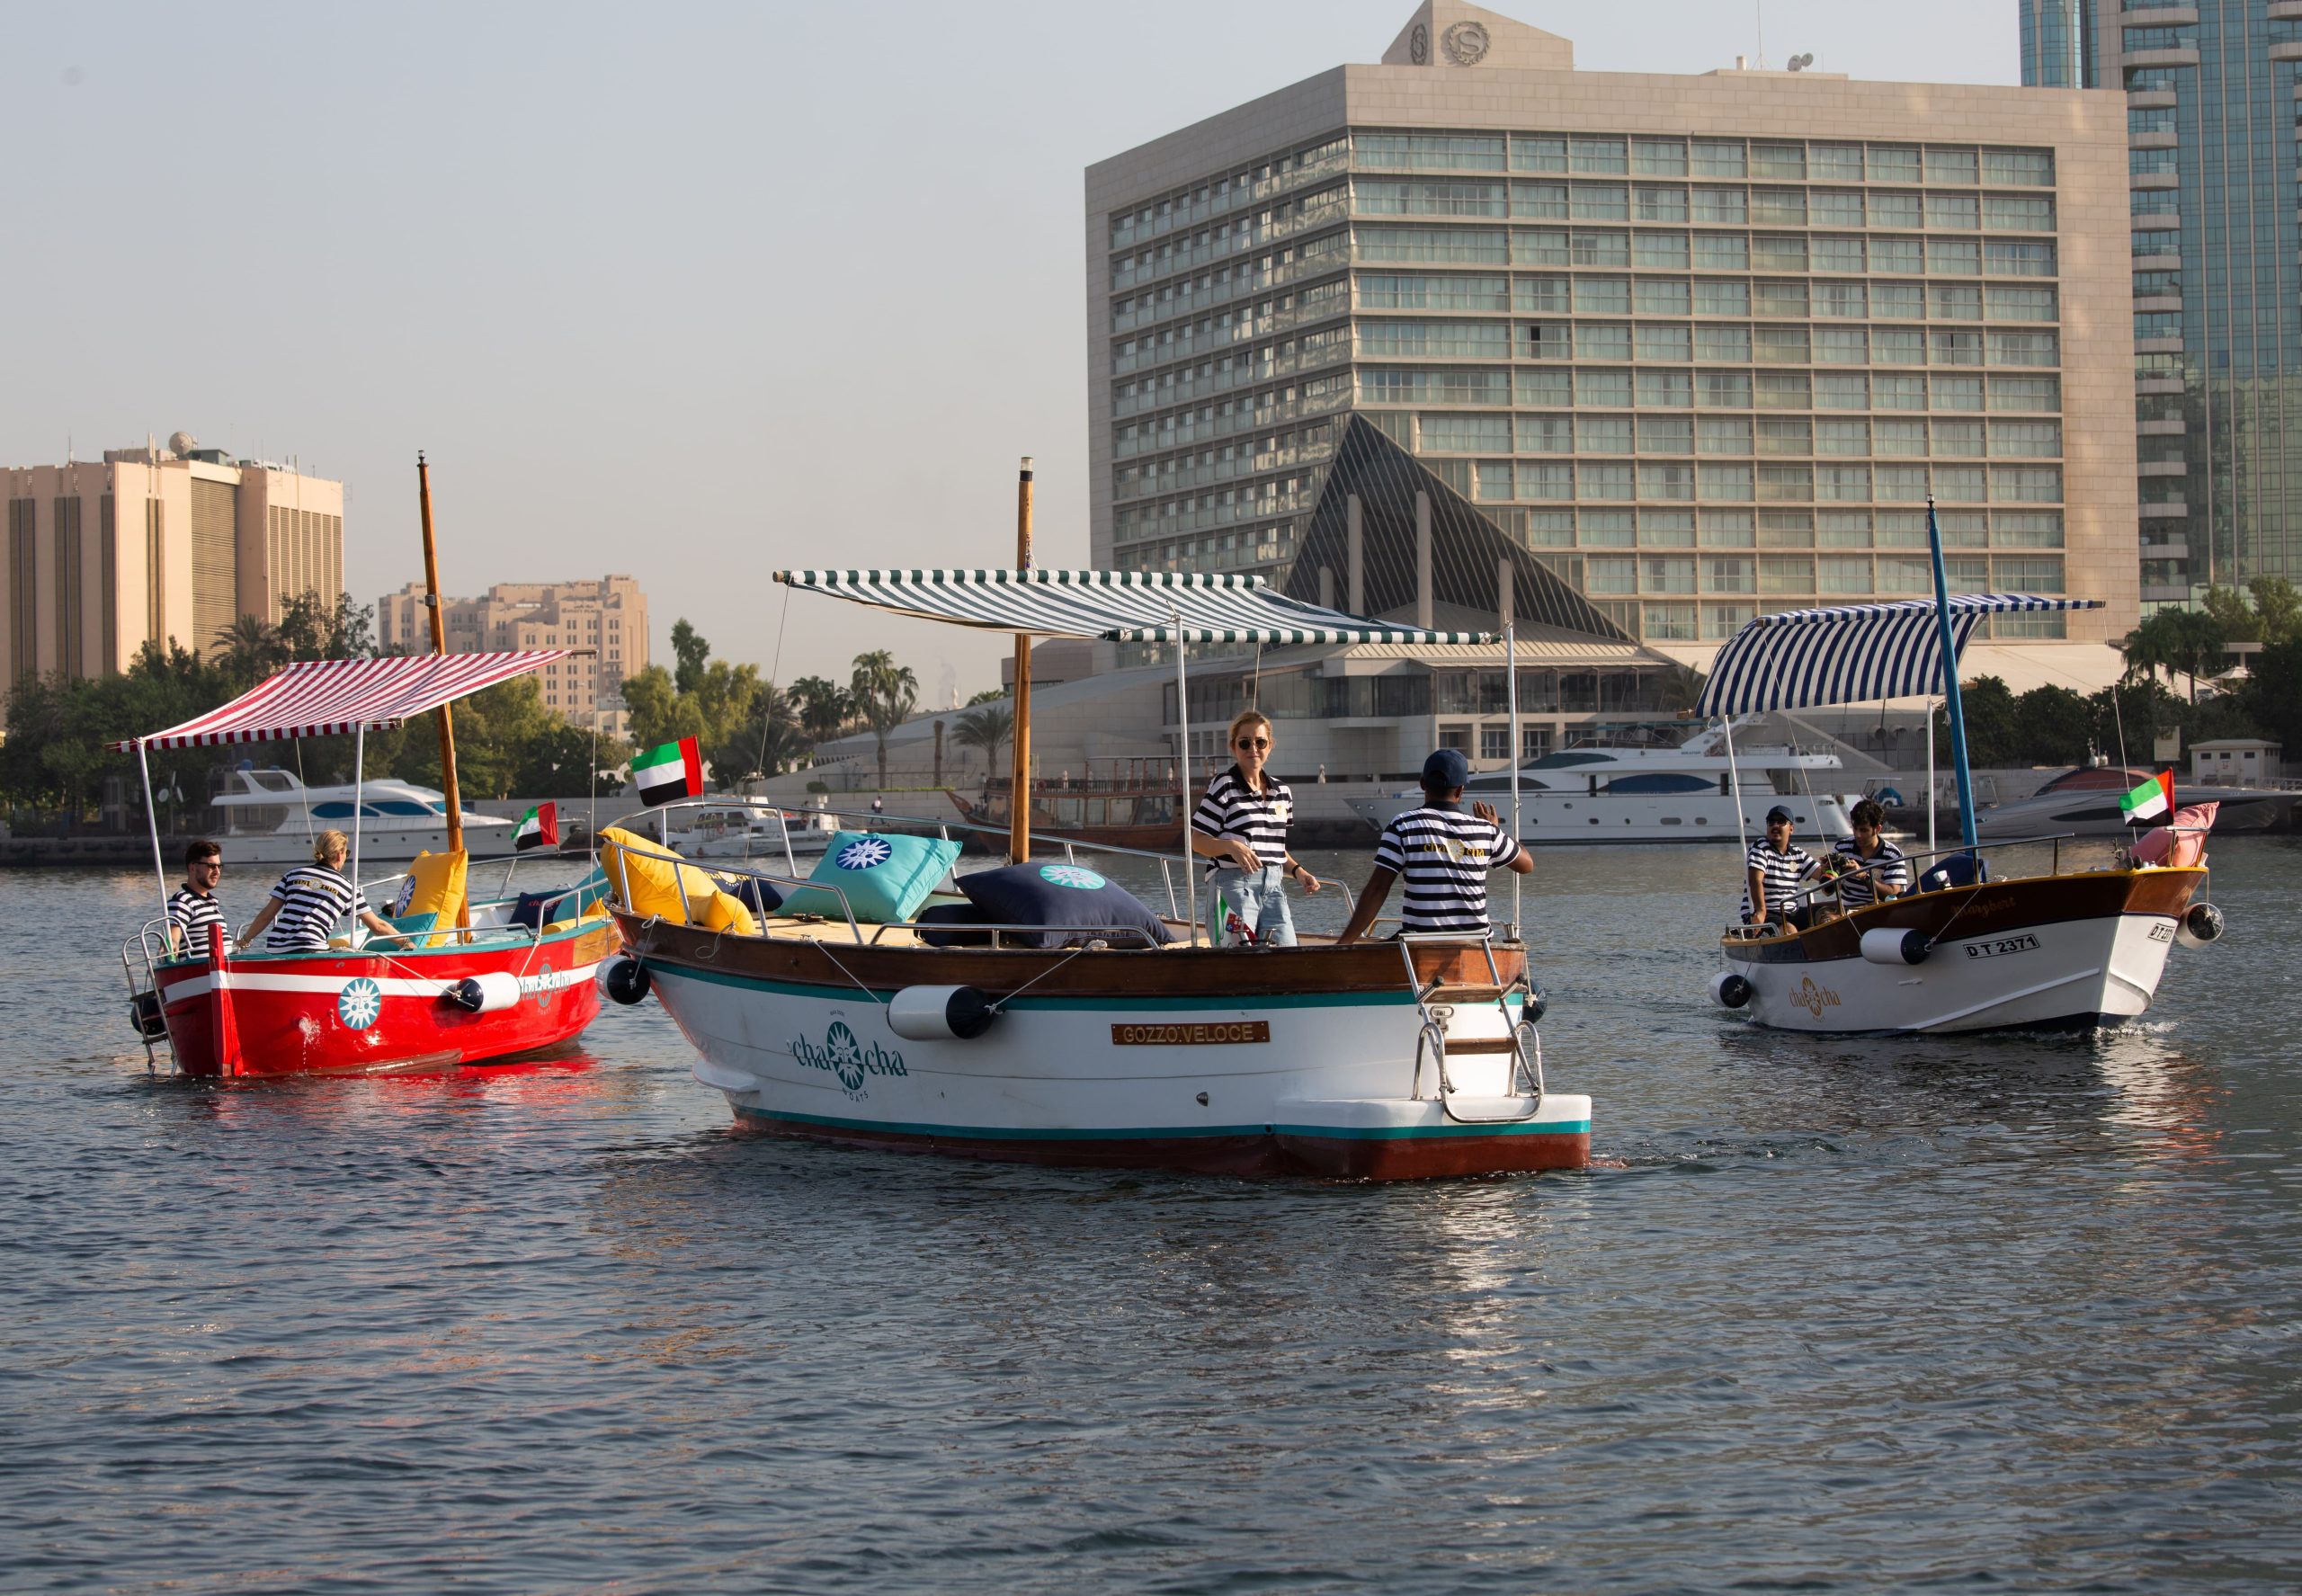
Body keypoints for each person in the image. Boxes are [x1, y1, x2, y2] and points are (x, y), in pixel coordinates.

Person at [1336, 749, 1531, 945]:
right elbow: (1526, 865)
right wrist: (1495, 829)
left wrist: (1343, 944)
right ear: (1460, 790)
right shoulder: (1485, 830)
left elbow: (1378, 889)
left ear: (1422, 783)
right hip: (1477, 945)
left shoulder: (1403, 825)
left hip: (1421, 944)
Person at [1191, 709, 1321, 946]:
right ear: (1233, 747)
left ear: (1270, 746)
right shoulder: (1224, 785)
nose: (1253, 748)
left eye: (1260, 742)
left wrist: (1298, 871)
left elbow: (1274, 849)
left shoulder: (1283, 793)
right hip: (1233, 885)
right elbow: (1197, 840)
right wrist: (1231, 847)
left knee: (1286, 953)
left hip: (1273, 886)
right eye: (1245, 742)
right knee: (1237, 961)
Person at [238, 830, 400, 953]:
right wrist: (407, 942)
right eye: (347, 853)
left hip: (275, 948)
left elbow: (267, 915)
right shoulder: (346, 886)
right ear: (339, 854)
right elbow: (377, 926)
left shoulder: (292, 875)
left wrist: (245, 940)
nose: (346, 858)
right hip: (310, 949)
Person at [1744, 806, 1824, 932]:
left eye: (1781, 822)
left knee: (1826, 914)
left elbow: (1822, 875)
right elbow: (1755, 880)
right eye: (1771, 822)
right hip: (1767, 912)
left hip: (1791, 913)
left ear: (1791, 829)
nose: (1775, 825)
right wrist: (1760, 911)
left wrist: (1832, 867)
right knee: (1790, 930)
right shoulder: (1760, 847)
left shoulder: (1797, 854)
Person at [1832, 798, 1911, 910]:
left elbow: (1892, 895)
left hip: (1878, 911)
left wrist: (1863, 875)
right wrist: (1828, 872)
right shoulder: (1842, 847)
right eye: (1855, 828)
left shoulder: (1893, 854)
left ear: (1877, 829)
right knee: (1821, 915)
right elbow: (1829, 890)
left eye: (1864, 830)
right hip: (1846, 912)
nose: (1858, 835)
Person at [165, 839, 228, 956]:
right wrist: (171, 945)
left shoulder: (212, 903)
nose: (217, 872)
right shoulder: (183, 901)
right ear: (193, 867)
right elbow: (172, 940)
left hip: (227, 967)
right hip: (202, 970)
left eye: (219, 866)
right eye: (211, 866)